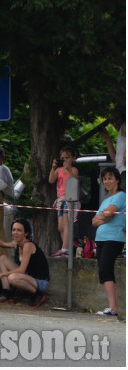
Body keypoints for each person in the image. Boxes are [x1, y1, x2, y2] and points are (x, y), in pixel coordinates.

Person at [0, 218, 50, 308]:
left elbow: (21, 270)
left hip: (40, 282)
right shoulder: (17, 243)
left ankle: (38, 294)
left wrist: (1, 275)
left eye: (19, 230)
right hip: (28, 276)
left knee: (12, 278)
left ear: (26, 233)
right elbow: (2, 244)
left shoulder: (28, 245)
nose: (15, 233)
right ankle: (7, 293)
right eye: (14, 230)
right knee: (2, 259)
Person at [91, 167, 125, 316]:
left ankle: (112, 308)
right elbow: (94, 221)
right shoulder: (105, 200)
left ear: (117, 180)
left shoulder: (121, 195)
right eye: (104, 178)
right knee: (105, 272)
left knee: (105, 271)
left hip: (113, 238)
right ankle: (113, 308)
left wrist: (102, 217)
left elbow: (109, 213)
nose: (107, 181)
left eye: (110, 178)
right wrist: (103, 217)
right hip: (101, 239)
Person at [48, 145, 80, 257]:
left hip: (69, 199)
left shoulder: (74, 170)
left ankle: (65, 248)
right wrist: (53, 167)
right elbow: (51, 180)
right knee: (60, 227)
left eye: (67, 157)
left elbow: (73, 180)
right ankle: (66, 247)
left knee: (67, 224)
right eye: (63, 158)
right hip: (60, 200)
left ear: (73, 158)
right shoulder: (58, 170)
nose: (65, 160)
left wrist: (68, 169)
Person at [99, 110, 126, 191]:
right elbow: (115, 159)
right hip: (121, 173)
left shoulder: (125, 125)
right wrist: (107, 138)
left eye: (117, 119)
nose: (115, 123)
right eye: (112, 121)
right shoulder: (121, 133)